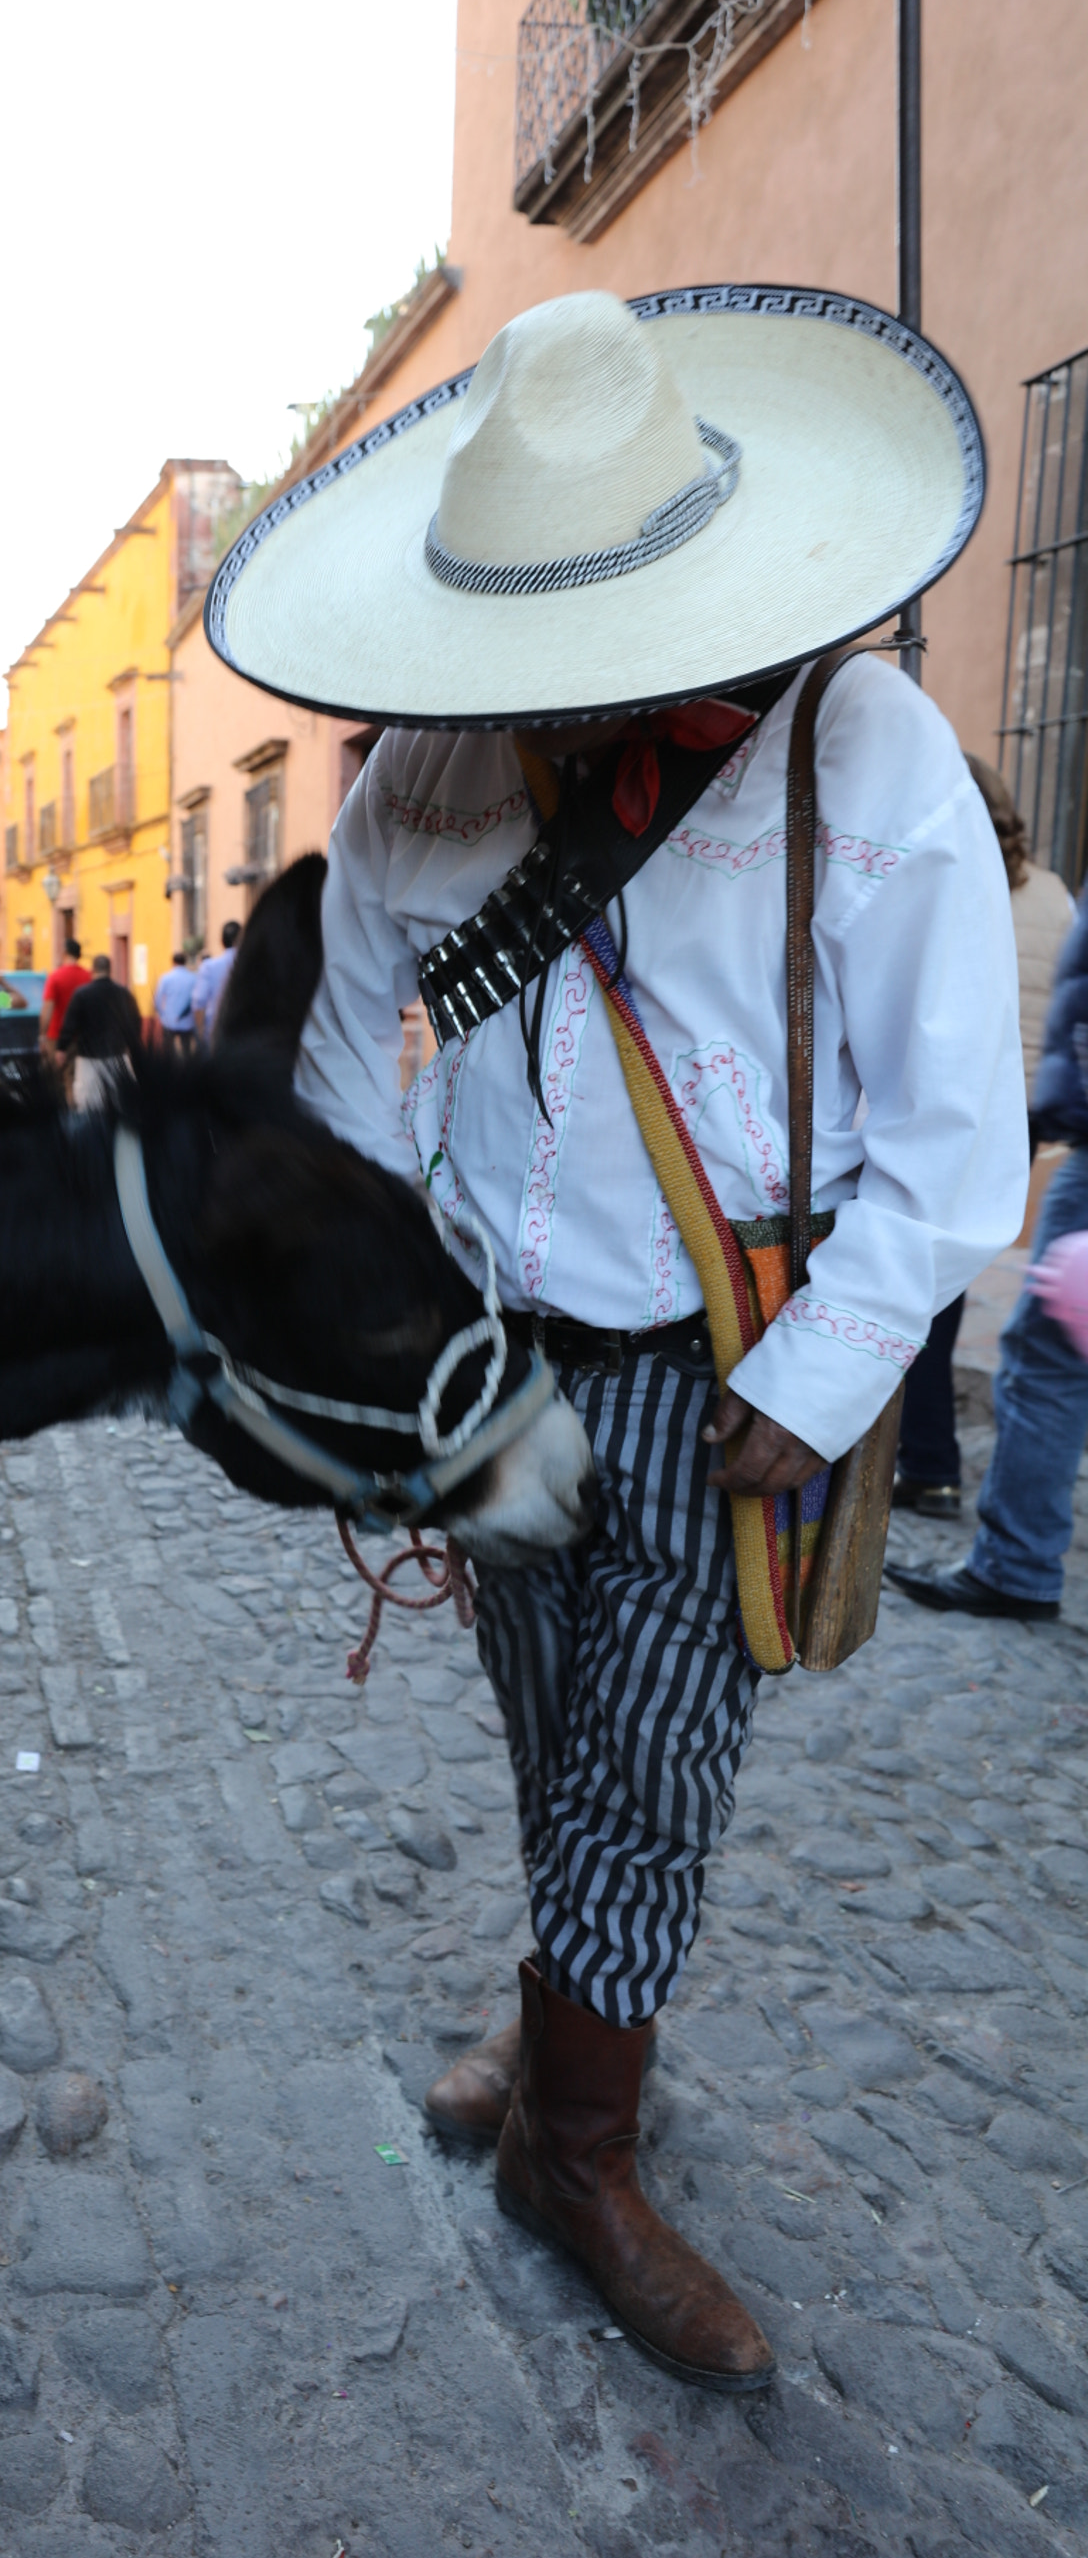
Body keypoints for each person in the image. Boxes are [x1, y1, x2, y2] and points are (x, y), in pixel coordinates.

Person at [210, 284, 1020, 2389]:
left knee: (656, 1759)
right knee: (555, 1729)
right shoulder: (424, 774)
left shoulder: (867, 751)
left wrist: (822, 1372)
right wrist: (396, 1303)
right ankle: (565, 2002)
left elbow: (950, 1146)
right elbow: (328, 1071)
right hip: (494, 1363)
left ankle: (576, 2148)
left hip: (723, 1368)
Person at [887, 872, 1088, 1619]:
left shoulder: (949, 867)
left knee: (1042, 1362)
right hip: (1029, 1105)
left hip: (992, 1098)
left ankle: (1015, 1561)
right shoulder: (1051, 887)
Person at [892, 758, 1074, 1515]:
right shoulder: (1057, 892)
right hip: (1026, 1113)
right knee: (949, 1284)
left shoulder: (941, 881)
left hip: (961, 1106)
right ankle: (928, 1460)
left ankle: (929, 1461)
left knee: (922, 1287)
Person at [56, 960, 143, 1110]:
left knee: (88, 1106)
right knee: (120, 1104)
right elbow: (135, 1022)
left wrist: (61, 1048)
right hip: (117, 1056)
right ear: (110, 970)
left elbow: (69, 1025)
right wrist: (131, 1046)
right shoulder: (124, 994)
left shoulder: (81, 994)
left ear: (93, 970)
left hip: (88, 1058)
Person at [190, 917, 241, 1044]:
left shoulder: (208, 967)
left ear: (221, 941)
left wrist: (201, 1035)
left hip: (215, 1034)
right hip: (247, 1038)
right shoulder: (256, 965)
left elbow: (199, 1003)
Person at [40, 936, 91, 1047]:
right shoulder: (88, 976)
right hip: (82, 1036)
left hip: (56, 1036)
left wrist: (42, 1036)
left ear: (65, 952)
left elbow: (47, 1008)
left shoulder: (55, 977)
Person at [153, 942, 199, 1051]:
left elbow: (158, 999)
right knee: (186, 1050)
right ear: (185, 962)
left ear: (173, 962)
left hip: (169, 1021)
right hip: (187, 1021)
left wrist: (162, 1014)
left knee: (168, 1052)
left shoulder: (166, 978)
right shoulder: (194, 978)